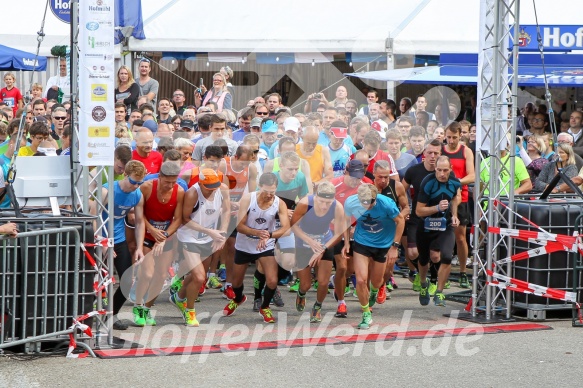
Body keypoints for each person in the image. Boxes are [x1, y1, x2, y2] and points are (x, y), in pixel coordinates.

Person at [223, 172, 290, 323]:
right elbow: (239, 226)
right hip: (245, 244)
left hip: (265, 245)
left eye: (272, 191)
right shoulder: (248, 198)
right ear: (260, 187)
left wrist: (268, 235)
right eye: (266, 191)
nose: (269, 195)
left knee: (272, 280)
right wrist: (258, 233)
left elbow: (286, 229)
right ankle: (238, 299)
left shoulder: (279, 203)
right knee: (236, 283)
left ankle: (265, 307)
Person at [343, 184, 404, 329]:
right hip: (362, 242)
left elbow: (401, 221)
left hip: (383, 244)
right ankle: (366, 314)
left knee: (376, 282)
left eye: (370, 202)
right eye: (363, 202)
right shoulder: (350, 202)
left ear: (375, 198)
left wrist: (394, 247)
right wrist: (346, 243)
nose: (367, 205)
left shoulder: (386, 204)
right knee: (361, 279)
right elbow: (345, 221)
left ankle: (374, 292)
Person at [133, 161, 184, 326]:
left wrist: (165, 236)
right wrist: (152, 230)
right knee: (147, 274)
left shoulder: (179, 191)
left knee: (161, 276)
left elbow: (178, 219)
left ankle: (147, 308)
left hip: (166, 236)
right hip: (147, 235)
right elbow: (138, 216)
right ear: (159, 177)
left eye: (173, 182)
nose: (170, 185)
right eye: (167, 181)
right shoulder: (147, 187)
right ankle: (138, 305)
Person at [97, 160, 146, 330]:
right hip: (100, 237)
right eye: (133, 182)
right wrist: (101, 241)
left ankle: (112, 314)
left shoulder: (138, 194)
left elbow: (140, 222)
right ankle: (92, 312)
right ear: (125, 175)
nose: (136, 186)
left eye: (140, 183)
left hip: (118, 239)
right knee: (98, 279)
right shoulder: (107, 189)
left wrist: (139, 248)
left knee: (127, 280)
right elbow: (93, 217)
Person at [290, 182, 346, 323]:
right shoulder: (304, 204)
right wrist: (309, 241)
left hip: (324, 241)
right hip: (304, 242)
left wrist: (322, 248)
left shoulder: (337, 207)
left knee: (323, 282)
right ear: (315, 196)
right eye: (321, 201)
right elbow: (293, 226)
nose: (324, 206)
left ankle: (317, 307)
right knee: (305, 284)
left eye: (328, 202)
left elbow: (338, 234)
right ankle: (301, 293)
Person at [415, 156, 461, 307]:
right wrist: (436, 208)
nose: (442, 173)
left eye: (445, 170)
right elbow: (419, 211)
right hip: (426, 225)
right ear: (435, 169)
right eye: (439, 170)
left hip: (445, 225)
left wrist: (454, 215)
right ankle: (423, 284)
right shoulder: (428, 183)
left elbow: (454, 198)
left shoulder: (454, 182)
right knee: (423, 259)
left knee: (447, 257)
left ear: (451, 169)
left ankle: (439, 292)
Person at [402, 139, 443, 291]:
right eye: (430, 152)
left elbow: (455, 193)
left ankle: (433, 279)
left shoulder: (444, 172)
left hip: (437, 219)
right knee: (412, 253)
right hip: (416, 218)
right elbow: (401, 189)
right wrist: (404, 207)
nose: (432, 156)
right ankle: (421, 273)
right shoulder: (414, 171)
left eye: (436, 153)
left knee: (435, 256)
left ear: (440, 155)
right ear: (424, 153)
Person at [220, 145, 258, 300]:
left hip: (237, 210)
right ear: (235, 157)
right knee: (216, 246)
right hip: (221, 207)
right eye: (243, 163)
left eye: (247, 163)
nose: (245, 166)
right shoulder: (224, 164)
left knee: (232, 247)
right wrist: (228, 203)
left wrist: (245, 207)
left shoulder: (251, 169)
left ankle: (229, 284)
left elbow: (252, 193)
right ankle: (206, 277)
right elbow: (217, 188)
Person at [442, 122, 474, 289]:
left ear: (460, 135)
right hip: (441, 196)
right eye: (449, 137)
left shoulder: (465, 151)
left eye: (454, 137)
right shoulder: (441, 150)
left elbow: (472, 175)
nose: (451, 140)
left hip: (461, 197)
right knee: (440, 235)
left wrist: (455, 182)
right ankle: (442, 273)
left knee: (460, 237)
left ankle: (462, 272)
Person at [372, 160, 410, 304]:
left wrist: (400, 216)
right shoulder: (368, 187)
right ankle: (372, 288)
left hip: (391, 232)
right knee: (372, 264)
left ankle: (382, 284)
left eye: (386, 177)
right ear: (374, 174)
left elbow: (406, 207)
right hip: (372, 230)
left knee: (388, 265)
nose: (383, 180)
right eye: (380, 177)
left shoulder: (397, 186)